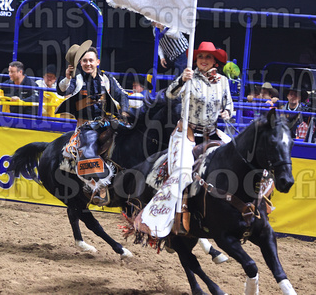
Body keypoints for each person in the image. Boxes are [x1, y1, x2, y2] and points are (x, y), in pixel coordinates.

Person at [137, 41, 233, 238]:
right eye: (200, 57)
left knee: (237, 159)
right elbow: (170, 94)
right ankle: (175, 216)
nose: (203, 60)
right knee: (183, 173)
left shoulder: (223, 81)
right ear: (195, 60)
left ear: (215, 61)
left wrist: (227, 112)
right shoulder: (188, 77)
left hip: (212, 132)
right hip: (187, 133)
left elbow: (229, 104)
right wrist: (181, 79)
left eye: (208, 57)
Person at [55, 41, 129, 206]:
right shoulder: (77, 79)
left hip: (108, 122)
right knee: (88, 152)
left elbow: (123, 95)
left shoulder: (107, 78)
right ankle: (100, 187)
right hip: (86, 127)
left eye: (91, 60)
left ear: (97, 62)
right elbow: (62, 91)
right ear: (81, 63)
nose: (88, 63)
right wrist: (67, 77)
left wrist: (124, 113)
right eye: (85, 61)